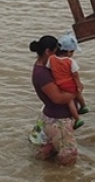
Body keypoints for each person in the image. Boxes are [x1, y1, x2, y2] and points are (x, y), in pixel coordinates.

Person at [30, 35, 79, 166]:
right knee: (69, 157)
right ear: (47, 52)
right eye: (55, 51)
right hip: (58, 120)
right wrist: (76, 91)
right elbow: (58, 98)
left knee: (47, 155)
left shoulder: (45, 67)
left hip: (51, 117)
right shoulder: (42, 74)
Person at [47, 33, 88, 129]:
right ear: (69, 52)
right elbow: (75, 74)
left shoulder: (51, 59)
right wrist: (79, 84)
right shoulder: (70, 62)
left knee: (69, 101)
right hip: (70, 84)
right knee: (75, 96)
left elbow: (48, 68)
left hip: (60, 84)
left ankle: (80, 112)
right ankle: (80, 114)